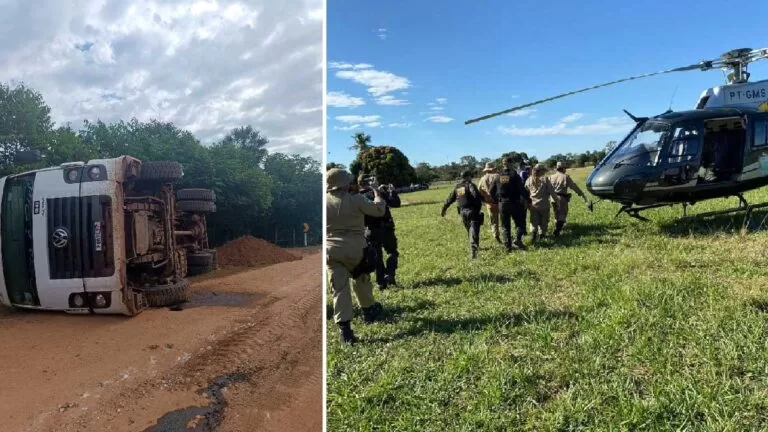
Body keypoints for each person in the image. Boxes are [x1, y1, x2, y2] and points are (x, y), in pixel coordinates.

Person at [326, 168, 387, 345]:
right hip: (356, 249)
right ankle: (369, 311)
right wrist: (376, 191)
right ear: (344, 183)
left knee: (339, 289)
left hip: (332, 252)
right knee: (361, 279)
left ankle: (345, 331)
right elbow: (379, 210)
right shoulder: (356, 200)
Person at [360, 177, 401, 290]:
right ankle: (390, 274)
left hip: (370, 231)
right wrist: (392, 191)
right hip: (386, 228)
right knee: (392, 252)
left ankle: (381, 282)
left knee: (377, 257)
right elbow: (395, 203)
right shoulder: (380, 193)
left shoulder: (358, 198)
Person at [490, 157, 531, 252]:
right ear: (511, 164)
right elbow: (522, 190)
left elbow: (491, 191)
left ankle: (508, 247)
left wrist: (496, 200)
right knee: (520, 222)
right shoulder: (515, 176)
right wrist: (528, 200)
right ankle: (517, 239)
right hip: (515, 203)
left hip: (502, 204)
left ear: (503, 164)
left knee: (505, 226)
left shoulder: (498, 176)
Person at [440, 170, 484, 259]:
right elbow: (476, 194)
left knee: (470, 230)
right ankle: (473, 250)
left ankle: (475, 246)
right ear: (468, 177)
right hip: (472, 211)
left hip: (463, 212)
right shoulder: (470, 185)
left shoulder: (459, 187)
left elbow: (449, 199)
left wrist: (443, 209)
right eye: (470, 176)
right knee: (474, 230)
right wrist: (481, 201)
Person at [549, 161, 591, 236]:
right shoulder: (565, 177)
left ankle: (557, 227)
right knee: (562, 215)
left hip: (552, 198)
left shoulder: (551, 177)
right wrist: (582, 194)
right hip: (561, 198)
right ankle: (557, 231)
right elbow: (574, 187)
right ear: (563, 168)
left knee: (556, 214)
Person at [524, 163, 559, 242]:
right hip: (544, 205)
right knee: (544, 221)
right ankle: (542, 236)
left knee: (534, 221)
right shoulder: (545, 179)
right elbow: (552, 192)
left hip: (533, 205)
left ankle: (533, 236)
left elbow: (525, 191)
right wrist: (557, 201)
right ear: (541, 171)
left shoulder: (529, 179)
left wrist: (527, 202)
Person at [477, 162, 501, 243]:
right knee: (504, 219)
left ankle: (496, 235)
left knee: (494, 221)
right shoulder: (498, 176)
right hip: (500, 202)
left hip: (490, 203)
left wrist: (483, 200)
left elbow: (478, 191)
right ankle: (506, 234)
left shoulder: (482, 179)